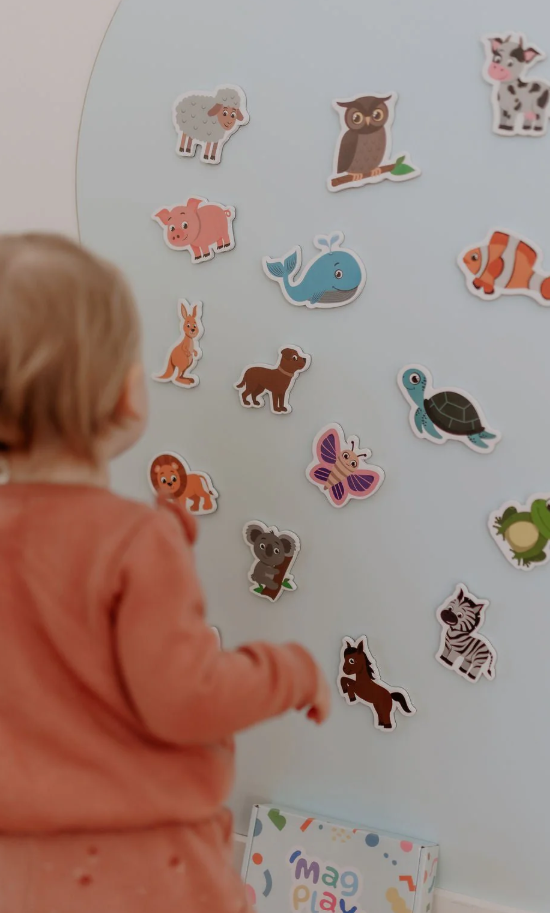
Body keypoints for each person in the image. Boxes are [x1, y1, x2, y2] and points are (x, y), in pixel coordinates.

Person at [0, 233, 330, 913]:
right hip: (149, 874)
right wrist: (288, 669)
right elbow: (185, 701)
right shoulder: (135, 542)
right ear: (128, 395)